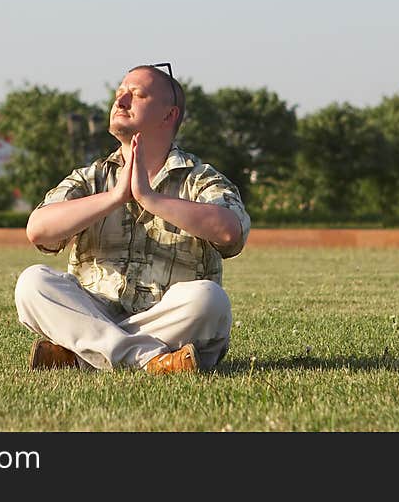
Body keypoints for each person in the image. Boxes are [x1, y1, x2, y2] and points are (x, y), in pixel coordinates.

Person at [14, 64, 250, 375]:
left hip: (166, 319)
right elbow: (39, 230)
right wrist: (114, 197)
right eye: (119, 94)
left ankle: (83, 354)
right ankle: (152, 360)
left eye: (136, 95)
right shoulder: (92, 178)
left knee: (209, 300)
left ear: (169, 115)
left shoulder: (199, 179)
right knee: (33, 283)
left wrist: (150, 198)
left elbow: (230, 232)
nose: (120, 101)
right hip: (95, 311)